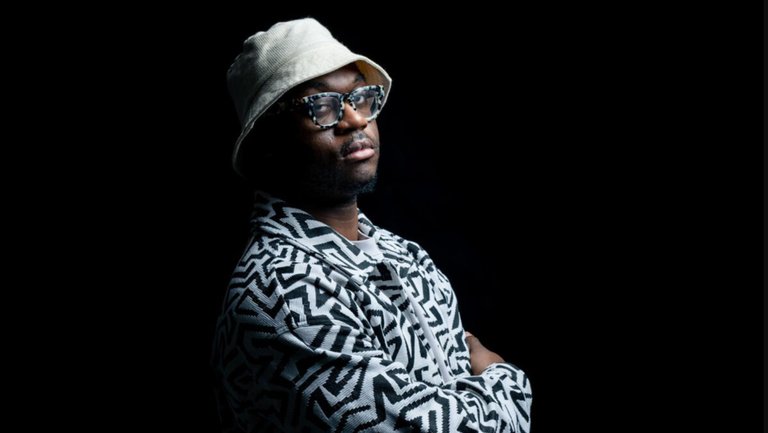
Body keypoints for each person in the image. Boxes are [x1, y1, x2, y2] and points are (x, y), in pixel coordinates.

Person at [212, 18, 532, 433]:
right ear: (267, 145)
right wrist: (505, 378)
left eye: (361, 98)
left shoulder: (409, 257)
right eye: (322, 106)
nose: (355, 120)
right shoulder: (281, 292)